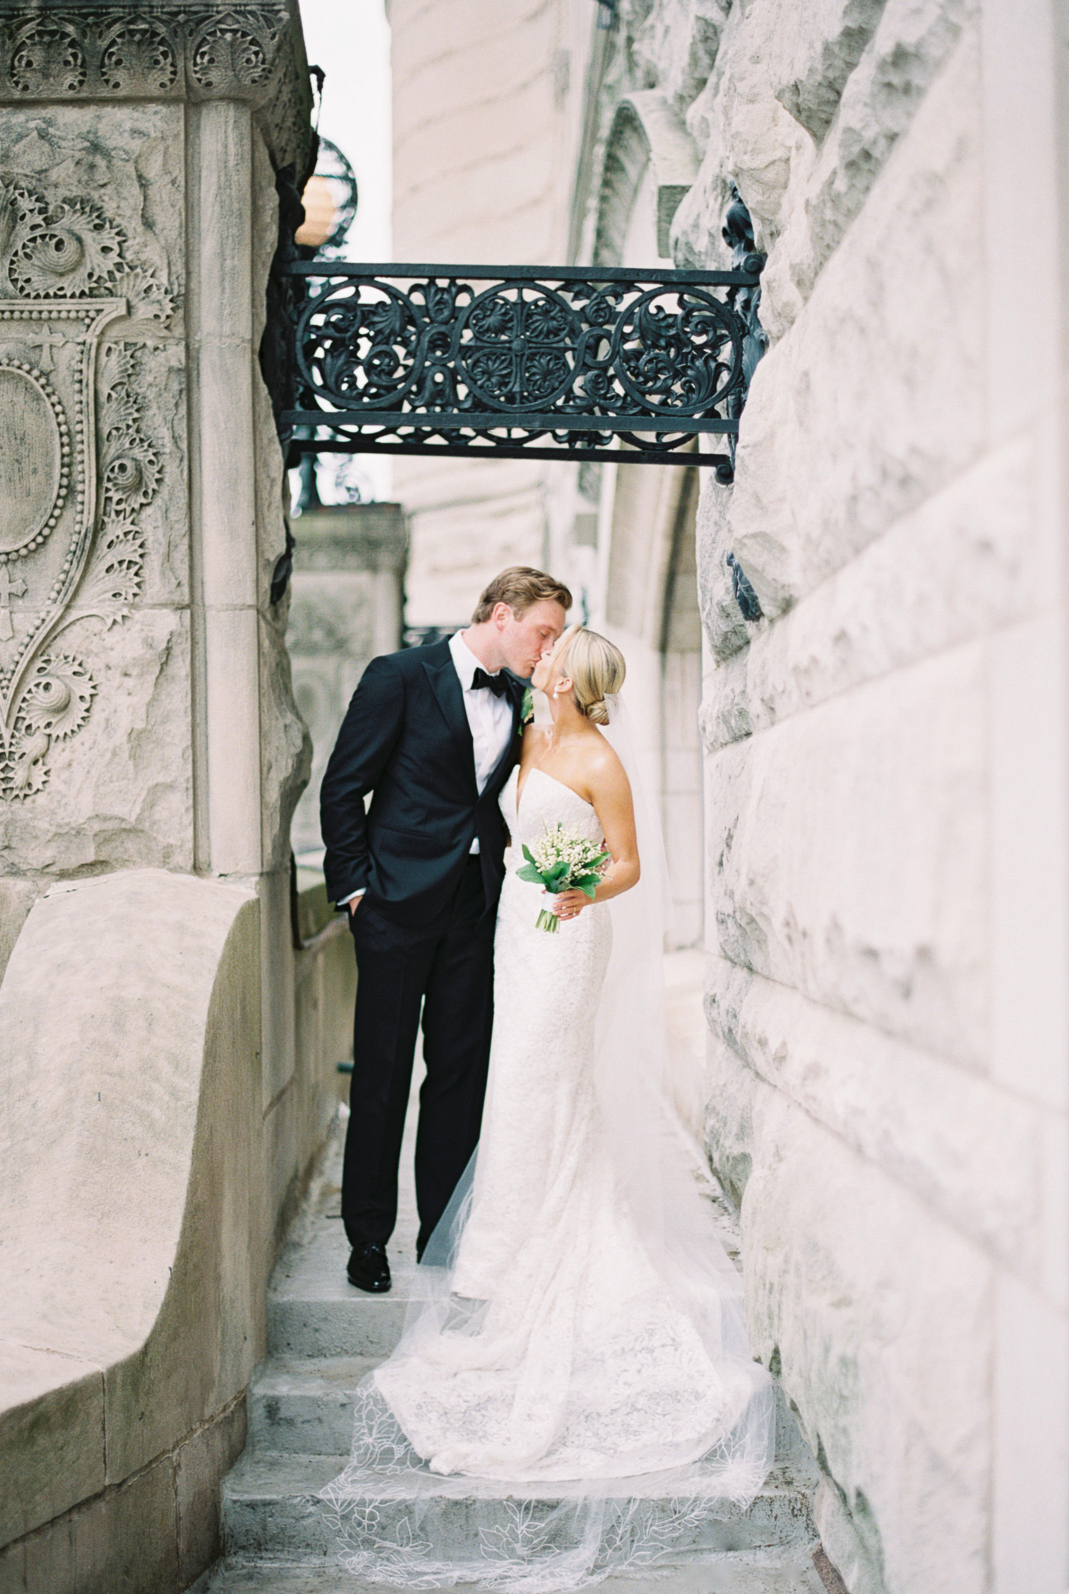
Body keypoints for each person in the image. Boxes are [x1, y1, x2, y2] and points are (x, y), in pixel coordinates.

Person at [323, 626, 776, 1590]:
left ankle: (550, 1250)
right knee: (510, 1094)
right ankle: (500, 1245)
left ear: (572, 678)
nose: (542, 663)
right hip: (506, 943)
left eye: (555, 655)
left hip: (564, 940)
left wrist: (571, 891)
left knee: (544, 1089)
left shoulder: (598, 756)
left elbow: (627, 866)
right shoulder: (526, 735)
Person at [319, 567, 572, 1293]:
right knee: (383, 1073)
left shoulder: (525, 700)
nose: (547, 647)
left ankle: (442, 1232)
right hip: (394, 908)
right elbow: (344, 786)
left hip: (475, 906)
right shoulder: (399, 676)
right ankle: (367, 1239)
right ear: (501, 614)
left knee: (460, 1076)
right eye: (542, 632)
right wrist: (358, 889)